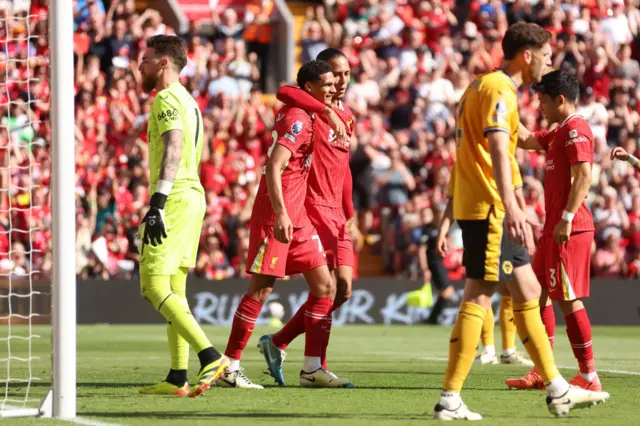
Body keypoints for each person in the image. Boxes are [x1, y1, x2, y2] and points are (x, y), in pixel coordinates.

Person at [432, 23, 609, 421]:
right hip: (493, 206)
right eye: (545, 56)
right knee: (480, 293)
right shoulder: (499, 89)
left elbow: (522, 138)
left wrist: (556, 134)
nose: (548, 63)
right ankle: (450, 397)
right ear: (526, 55)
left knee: (527, 290)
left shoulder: (481, 86)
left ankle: (557, 387)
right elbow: (498, 145)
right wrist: (512, 205)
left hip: (482, 203)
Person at [220, 60, 352, 389]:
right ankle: (229, 366)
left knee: (326, 287)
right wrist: (280, 213)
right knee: (262, 290)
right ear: (309, 88)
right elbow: (273, 166)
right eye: (326, 83)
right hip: (277, 216)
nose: (333, 88)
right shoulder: (298, 118)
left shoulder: (310, 113)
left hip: (299, 218)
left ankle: (311, 369)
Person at [135, 35, 228, 399]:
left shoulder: (166, 98)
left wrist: (157, 201)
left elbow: (173, 145)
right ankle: (177, 376)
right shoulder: (188, 100)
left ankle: (211, 355)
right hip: (191, 195)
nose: (139, 66)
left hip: (173, 197)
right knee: (175, 291)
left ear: (163, 63)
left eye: (145, 59)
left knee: (153, 287)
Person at [257, 48, 355, 386]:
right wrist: (326, 111)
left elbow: (345, 169)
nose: (341, 81)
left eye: (346, 74)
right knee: (326, 286)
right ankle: (315, 366)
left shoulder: (349, 116)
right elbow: (285, 92)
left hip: (338, 214)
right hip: (311, 207)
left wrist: (350, 211)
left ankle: (279, 341)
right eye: (335, 75)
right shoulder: (311, 110)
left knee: (342, 290)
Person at [506, 70, 602, 391]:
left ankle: (588, 376)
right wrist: (505, 105)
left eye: (543, 101)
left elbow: (584, 175)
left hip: (569, 228)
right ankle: (542, 370)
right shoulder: (557, 131)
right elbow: (523, 139)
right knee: (537, 296)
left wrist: (567, 217)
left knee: (568, 299)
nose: (540, 108)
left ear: (560, 100)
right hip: (553, 229)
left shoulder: (576, 129)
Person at [437, 166, 534, 367]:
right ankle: (488, 348)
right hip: (480, 229)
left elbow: (518, 197)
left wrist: (526, 228)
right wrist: (443, 231)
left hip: (506, 230)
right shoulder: (463, 163)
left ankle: (508, 350)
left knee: (508, 289)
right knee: (483, 288)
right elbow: (452, 201)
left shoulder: (505, 157)